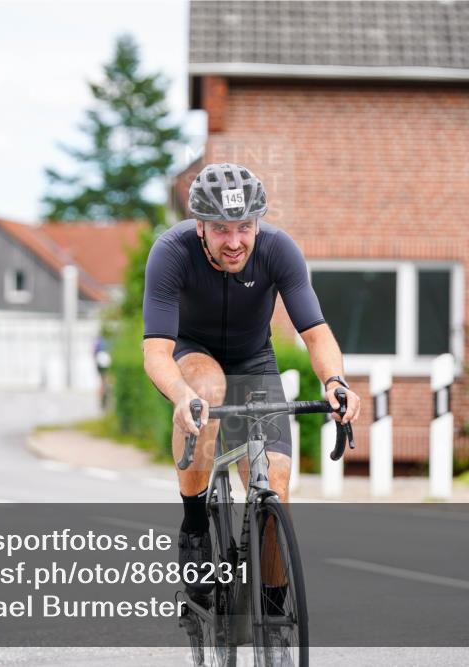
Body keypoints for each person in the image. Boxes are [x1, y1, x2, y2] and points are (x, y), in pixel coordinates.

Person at [142, 163, 362, 601]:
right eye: (221, 229)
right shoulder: (171, 252)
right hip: (193, 353)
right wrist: (182, 396)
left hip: (253, 360)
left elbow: (316, 333)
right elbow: (156, 352)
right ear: (200, 226)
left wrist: (335, 381)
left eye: (244, 227)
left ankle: (274, 606)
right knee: (207, 390)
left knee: (275, 483)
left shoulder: (278, 250)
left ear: (258, 223)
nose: (235, 241)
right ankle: (195, 527)